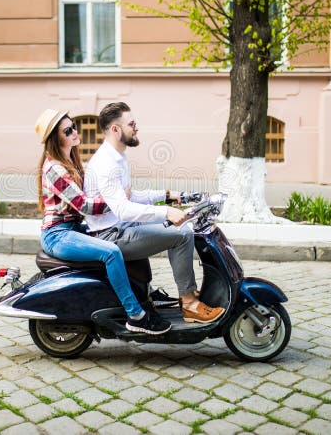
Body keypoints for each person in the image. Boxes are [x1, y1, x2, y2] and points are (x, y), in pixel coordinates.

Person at [84, 102, 224, 324]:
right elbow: (123, 209)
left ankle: (178, 293)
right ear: (115, 130)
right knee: (182, 235)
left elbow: (129, 197)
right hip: (111, 235)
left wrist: (169, 195)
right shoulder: (106, 164)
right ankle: (189, 303)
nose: (136, 128)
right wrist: (165, 212)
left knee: (182, 229)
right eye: (131, 124)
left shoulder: (118, 157)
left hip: (121, 226)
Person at [35, 108, 171, 334]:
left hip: (74, 228)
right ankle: (136, 315)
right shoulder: (55, 169)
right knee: (111, 252)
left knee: (131, 228)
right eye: (67, 131)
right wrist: (117, 199)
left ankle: (143, 293)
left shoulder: (71, 160)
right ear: (54, 139)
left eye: (73, 127)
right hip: (58, 234)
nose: (74, 133)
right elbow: (85, 205)